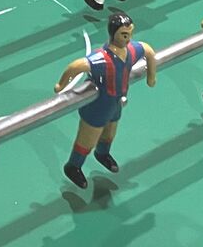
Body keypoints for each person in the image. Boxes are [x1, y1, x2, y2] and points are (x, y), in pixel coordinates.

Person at [53, 11, 156, 189]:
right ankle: (73, 166)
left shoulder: (130, 51)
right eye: (124, 35)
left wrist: (151, 76)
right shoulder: (102, 59)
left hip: (115, 103)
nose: (128, 39)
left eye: (130, 34)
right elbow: (76, 66)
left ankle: (102, 154)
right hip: (98, 107)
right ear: (113, 34)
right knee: (87, 140)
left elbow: (148, 50)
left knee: (109, 133)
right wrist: (60, 85)